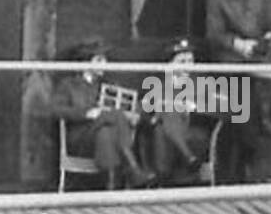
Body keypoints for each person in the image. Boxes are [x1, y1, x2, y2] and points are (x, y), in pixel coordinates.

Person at [204, 0, 271, 183]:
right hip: (231, 68)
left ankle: (248, 175)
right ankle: (232, 177)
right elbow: (214, 34)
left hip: (257, 66)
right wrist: (238, 44)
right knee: (238, 124)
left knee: (257, 123)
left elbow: (268, 25)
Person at [50, 39, 156, 189]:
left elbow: (131, 102)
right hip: (81, 138)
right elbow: (56, 110)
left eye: (105, 59)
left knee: (106, 133)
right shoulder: (68, 84)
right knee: (112, 114)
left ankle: (110, 186)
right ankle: (132, 168)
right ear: (86, 62)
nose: (105, 64)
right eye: (99, 60)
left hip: (104, 136)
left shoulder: (107, 84)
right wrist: (87, 113)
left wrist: (134, 114)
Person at [145, 38, 215, 184]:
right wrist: (152, 115)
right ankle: (188, 157)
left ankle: (162, 178)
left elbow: (219, 107)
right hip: (164, 127)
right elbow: (143, 109)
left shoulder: (203, 81)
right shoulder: (156, 82)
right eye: (182, 62)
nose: (187, 66)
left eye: (190, 61)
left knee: (164, 124)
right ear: (169, 64)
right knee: (163, 122)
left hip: (192, 126)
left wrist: (195, 108)